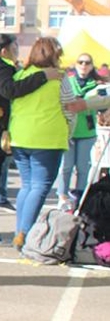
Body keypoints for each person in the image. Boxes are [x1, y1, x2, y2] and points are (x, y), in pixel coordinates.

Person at [0, 33, 53, 246]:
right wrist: (44, 77)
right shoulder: (0, 68)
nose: (18, 49)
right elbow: (11, 90)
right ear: (4, 50)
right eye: (15, 45)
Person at [7, 36, 72, 249]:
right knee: (40, 186)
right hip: (48, 138)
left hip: (20, 137)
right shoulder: (59, 78)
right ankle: (25, 233)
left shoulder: (21, 74)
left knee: (28, 186)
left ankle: (20, 230)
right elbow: (69, 108)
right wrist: (68, 132)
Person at [57, 53, 103, 210]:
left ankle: (80, 196)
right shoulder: (67, 82)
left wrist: (88, 104)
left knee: (83, 167)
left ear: (91, 66)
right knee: (66, 166)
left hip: (87, 131)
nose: (83, 65)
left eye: (87, 62)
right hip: (68, 130)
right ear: (75, 64)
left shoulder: (97, 85)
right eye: (80, 62)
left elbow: (103, 105)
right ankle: (62, 196)